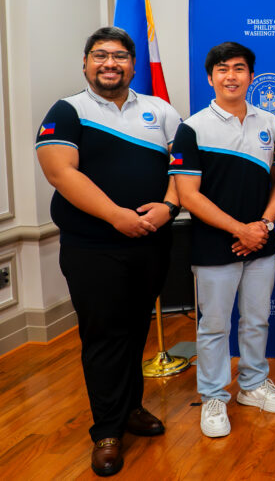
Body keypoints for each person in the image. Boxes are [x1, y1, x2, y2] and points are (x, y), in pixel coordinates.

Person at [36, 27, 181, 477]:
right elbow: (61, 174)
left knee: (136, 331)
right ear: (85, 63)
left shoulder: (160, 111)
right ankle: (106, 432)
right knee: (103, 338)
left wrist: (170, 206)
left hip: (152, 243)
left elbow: (183, 169)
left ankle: (130, 408)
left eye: (119, 56)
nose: (110, 64)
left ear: (133, 65)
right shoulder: (68, 111)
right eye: (100, 56)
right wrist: (117, 215)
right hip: (94, 248)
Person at [170, 42, 275, 439]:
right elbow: (188, 195)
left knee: (257, 320)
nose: (231, 76)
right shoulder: (193, 128)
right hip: (213, 244)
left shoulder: (271, 123)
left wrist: (262, 225)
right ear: (211, 78)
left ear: (252, 77)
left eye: (239, 69)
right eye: (222, 69)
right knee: (214, 325)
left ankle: (253, 386)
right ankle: (213, 396)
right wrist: (238, 230)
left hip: (261, 240)